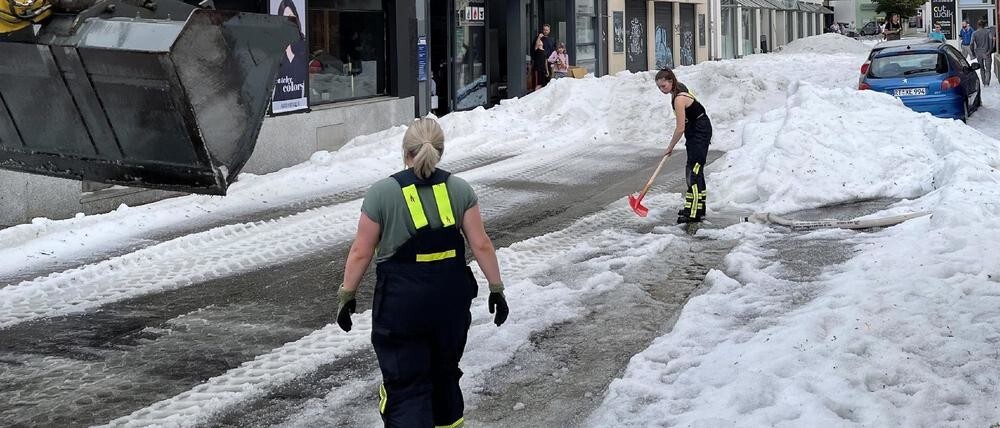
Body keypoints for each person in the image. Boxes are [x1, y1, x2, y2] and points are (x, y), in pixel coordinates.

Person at [336, 118, 509, 427]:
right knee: (445, 376)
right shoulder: (460, 190)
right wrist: (496, 288)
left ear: (406, 152)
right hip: (450, 306)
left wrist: (347, 295)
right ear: (439, 151)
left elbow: (361, 251)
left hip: (401, 307)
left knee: (406, 387)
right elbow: (481, 244)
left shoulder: (382, 193)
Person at [655, 68, 712, 224]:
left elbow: (680, 127)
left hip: (699, 132)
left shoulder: (679, 98)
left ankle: (694, 214)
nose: (662, 90)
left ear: (671, 82)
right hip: (696, 130)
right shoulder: (678, 90)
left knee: (693, 171)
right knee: (694, 170)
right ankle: (697, 208)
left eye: (663, 86)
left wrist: (670, 147)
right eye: (659, 87)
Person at [971, 19, 995, 86]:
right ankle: (987, 83)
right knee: (988, 69)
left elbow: (971, 44)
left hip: (978, 53)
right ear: (985, 25)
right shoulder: (989, 32)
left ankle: (984, 82)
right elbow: (991, 42)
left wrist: (973, 52)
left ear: (978, 25)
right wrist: (990, 51)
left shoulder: (974, 33)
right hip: (987, 52)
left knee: (981, 68)